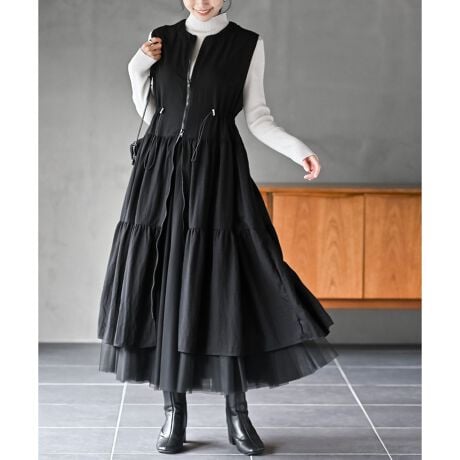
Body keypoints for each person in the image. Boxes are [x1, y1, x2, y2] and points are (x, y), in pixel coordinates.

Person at [97, 0, 338, 455]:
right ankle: (174, 412)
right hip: (160, 176)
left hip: (217, 172)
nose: (201, 0)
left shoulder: (247, 44)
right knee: (165, 286)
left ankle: (237, 414)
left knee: (226, 284)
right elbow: (153, 113)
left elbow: (258, 117)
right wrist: (137, 67)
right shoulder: (162, 36)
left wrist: (298, 149)